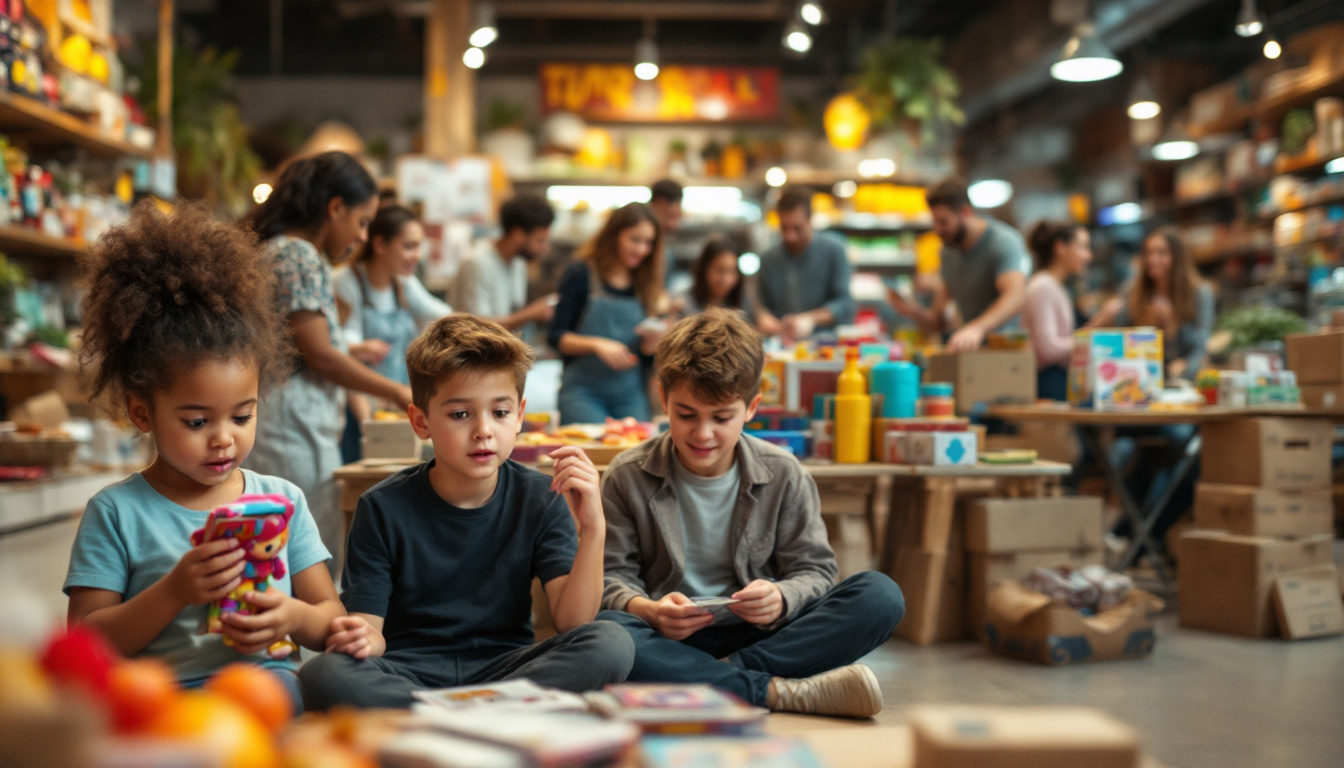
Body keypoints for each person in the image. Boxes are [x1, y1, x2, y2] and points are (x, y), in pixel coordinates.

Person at [64, 203, 342, 710]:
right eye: (196, 422)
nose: (223, 439)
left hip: (265, 691)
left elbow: (330, 618)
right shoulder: (116, 512)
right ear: (142, 413)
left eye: (242, 417)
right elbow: (85, 645)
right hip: (160, 702)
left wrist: (292, 618)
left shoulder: (282, 501)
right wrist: (174, 591)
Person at [299, 315, 634, 709]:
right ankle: (492, 718)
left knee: (612, 641)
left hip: (507, 670)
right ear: (420, 421)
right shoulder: (381, 507)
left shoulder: (542, 497)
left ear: (521, 415)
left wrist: (593, 530)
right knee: (322, 673)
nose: (483, 431)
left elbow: (573, 622)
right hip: (410, 672)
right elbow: (369, 631)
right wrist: (359, 638)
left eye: (500, 412)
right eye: (460, 414)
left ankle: (434, 720)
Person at [597, 309, 905, 719]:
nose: (703, 434)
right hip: (669, 639)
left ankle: (722, 680)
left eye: (722, 418)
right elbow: (610, 577)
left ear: (752, 407)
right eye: (686, 414)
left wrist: (780, 597)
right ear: (663, 397)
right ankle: (776, 691)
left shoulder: (783, 471)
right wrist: (647, 610)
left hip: (762, 638)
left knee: (880, 595)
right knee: (604, 635)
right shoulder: (626, 475)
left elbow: (815, 571)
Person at [244, 151, 413, 574]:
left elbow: (297, 341)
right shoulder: (299, 254)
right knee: (301, 558)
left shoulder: (277, 249)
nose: (360, 237)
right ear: (334, 208)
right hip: (290, 428)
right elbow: (317, 354)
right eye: (360, 222)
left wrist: (348, 351)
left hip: (282, 421)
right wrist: (394, 389)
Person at [549, 203, 665, 425]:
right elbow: (557, 337)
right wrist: (597, 345)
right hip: (583, 393)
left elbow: (646, 356)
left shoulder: (645, 283)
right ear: (614, 235)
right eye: (635, 239)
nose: (642, 249)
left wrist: (650, 347)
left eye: (648, 243)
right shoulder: (581, 274)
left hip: (631, 395)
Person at [886, 177, 1031, 351]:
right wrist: (912, 311)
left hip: (1008, 353)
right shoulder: (949, 252)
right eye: (934, 222)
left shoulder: (1002, 242)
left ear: (965, 212)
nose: (937, 229)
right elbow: (937, 322)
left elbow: (1015, 296)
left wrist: (977, 327)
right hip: (973, 352)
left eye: (943, 222)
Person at [335, 205, 451, 385]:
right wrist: (358, 348)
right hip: (364, 393)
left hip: (400, 391)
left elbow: (441, 315)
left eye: (419, 247)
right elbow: (345, 337)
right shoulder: (346, 281)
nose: (416, 256)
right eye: (409, 247)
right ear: (380, 244)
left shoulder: (403, 281)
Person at [1097, 227, 1215, 380]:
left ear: (1177, 257)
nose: (1152, 259)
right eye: (1148, 253)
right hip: (1137, 378)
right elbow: (1119, 341)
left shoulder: (1200, 293)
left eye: (1161, 253)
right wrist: (1105, 320)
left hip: (1183, 380)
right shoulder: (1130, 292)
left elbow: (1199, 348)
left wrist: (1171, 327)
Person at [755, 186, 855, 339]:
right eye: (784, 228)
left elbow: (845, 304)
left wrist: (811, 319)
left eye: (797, 228)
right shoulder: (768, 258)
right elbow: (760, 303)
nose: (790, 236)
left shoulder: (834, 250)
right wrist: (763, 317)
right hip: (780, 346)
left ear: (810, 219)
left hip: (826, 345)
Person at [450, 193, 558, 331]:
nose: (544, 248)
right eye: (539, 240)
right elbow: (476, 328)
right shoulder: (476, 263)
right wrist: (529, 315)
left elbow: (511, 313)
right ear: (518, 234)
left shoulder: (518, 262)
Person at [1022, 222, 1095, 401]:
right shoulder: (1042, 287)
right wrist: (1093, 336)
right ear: (1060, 248)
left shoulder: (1057, 287)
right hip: (1047, 382)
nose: (1088, 255)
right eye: (1082, 247)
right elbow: (1048, 349)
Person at [680, 236, 752, 318]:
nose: (726, 279)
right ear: (704, 269)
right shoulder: (684, 304)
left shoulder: (744, 304)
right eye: (719, 270)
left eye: (732, 271)